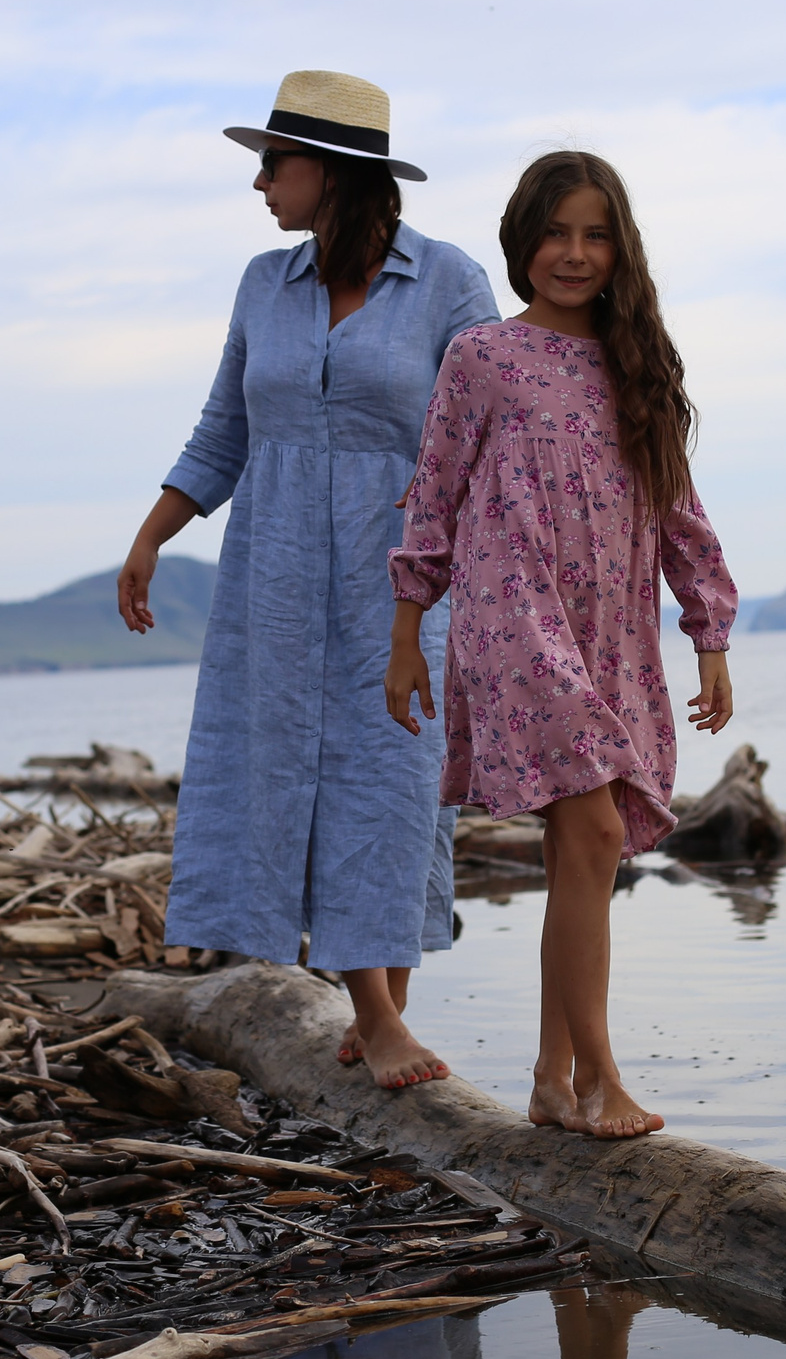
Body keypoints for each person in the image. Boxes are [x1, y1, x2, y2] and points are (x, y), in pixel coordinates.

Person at [118, 71, 501, 1089]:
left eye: (271, 164)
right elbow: (224, 431)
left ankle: (378, 1011)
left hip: (401, 577)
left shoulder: (451, 284)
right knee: (284, 771)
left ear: (329, 172)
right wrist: (152, 536)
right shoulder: (262, 284)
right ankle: (373, 1017)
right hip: (275, 572)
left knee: (389, 782)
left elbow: (483, 445)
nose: (258, 184)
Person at [386, 150, 738, 1138]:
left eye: (594, 234)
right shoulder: (483, 357)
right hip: (514, 615)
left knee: (586, 854)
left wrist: (707, 630)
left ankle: (550, 1079)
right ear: (521, 242)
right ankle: (601, 1080)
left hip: (612, 628)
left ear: (619, 247)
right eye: (554, 233)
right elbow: (436, 492)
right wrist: (409, 629)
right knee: (587, 833)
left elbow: (677, 505)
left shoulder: (640, 368)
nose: (573, 254)